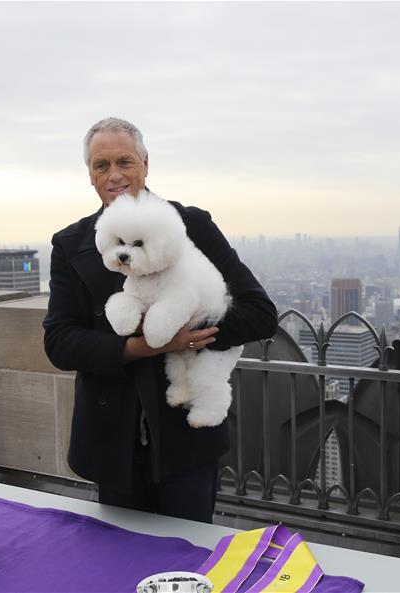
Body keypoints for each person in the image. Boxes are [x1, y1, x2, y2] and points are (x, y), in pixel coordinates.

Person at [43, 117, 277, 523]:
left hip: (185, 440)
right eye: (101, 166)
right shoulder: (70, 245)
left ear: (146, 165)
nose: (114, 175)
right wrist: (142, 346)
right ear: (90, 177)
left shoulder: (192, 226)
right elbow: (59, 342)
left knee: (187, 563)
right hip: (111, 439)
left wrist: (189, 333)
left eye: (125, 162)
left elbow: (259, 314)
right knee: (118, 565)